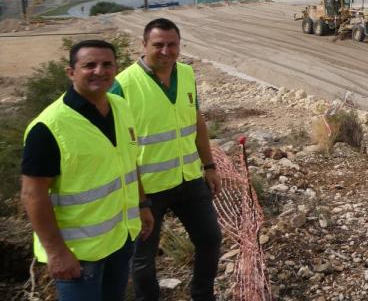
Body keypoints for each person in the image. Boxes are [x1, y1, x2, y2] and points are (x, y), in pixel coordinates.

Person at [21, 39, 154, 300]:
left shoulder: (120, 106)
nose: (99, 71)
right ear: (71, 72)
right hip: (79, 255)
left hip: (120, 239)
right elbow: (32, 195)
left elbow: (127, 161)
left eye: (107, 64)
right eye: (89, 65)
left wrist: (143, 204)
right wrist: (56, 253)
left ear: (116, 69)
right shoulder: (48, 127)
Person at [111, 18, 222, 301]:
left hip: (189, 179)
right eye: (158, 45)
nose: (166, 51)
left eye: (172, 45)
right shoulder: (122, 85)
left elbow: (196, 122)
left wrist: (209, 166)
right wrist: (137, 197)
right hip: (146, 189)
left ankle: (202, 294)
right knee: (143, 260)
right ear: (144, 45)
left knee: (210, 239)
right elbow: (115, 147)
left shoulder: (185, 74)